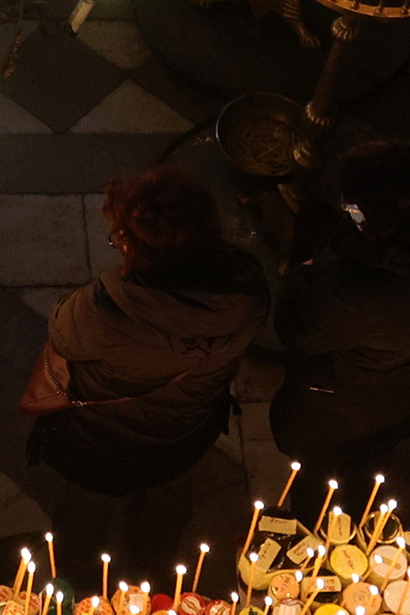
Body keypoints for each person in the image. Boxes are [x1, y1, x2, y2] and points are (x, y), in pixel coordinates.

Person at [20, 165, 271, 506]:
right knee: (166, 502)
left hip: (100, 443)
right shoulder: (248, 289)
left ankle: (78, 554)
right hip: (186, 434)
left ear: (134, 247)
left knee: (85, 508)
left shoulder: (104, 313)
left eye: (119, 237)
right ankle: (152, 549)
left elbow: (61, 328)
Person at [268, 139, 410, 470]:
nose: (346, 210)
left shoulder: (358, 294)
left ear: (381, 228)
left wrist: (302, 270)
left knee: (324, 457)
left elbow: (296, 329)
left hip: (347, 405)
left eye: (355, 210)